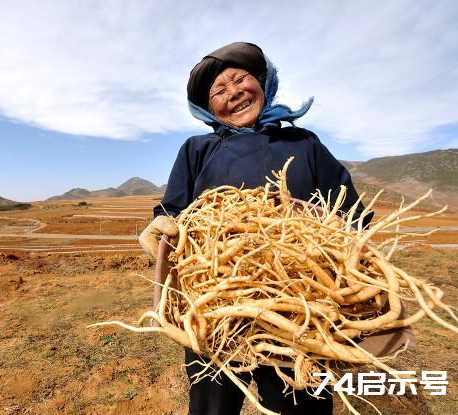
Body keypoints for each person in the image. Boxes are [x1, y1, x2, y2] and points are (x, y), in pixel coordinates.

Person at [139, 42, 372, 415]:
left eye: (240, 79)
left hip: (301, 310)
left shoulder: (302, 142)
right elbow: (173, 212)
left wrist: (336, 238)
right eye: (218, 91)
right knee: (211, 405)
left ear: (263, 82)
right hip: (212, 307)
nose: (233, 93)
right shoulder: (197, 149)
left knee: (301, 401)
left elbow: (349, 212)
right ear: (207, 107)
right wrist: (159, 228)